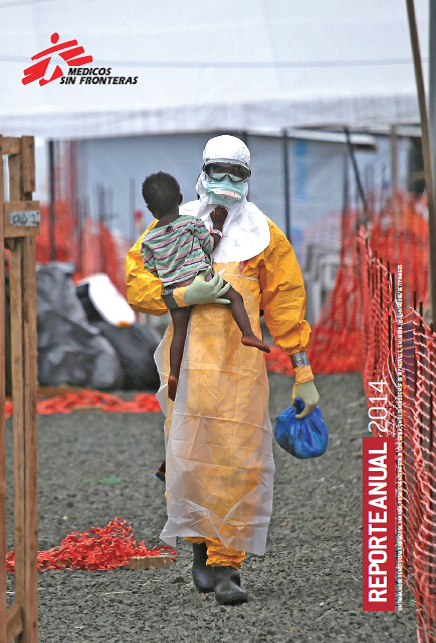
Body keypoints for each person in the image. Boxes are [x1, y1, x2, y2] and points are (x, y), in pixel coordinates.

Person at [126, 135, 320, 606]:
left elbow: (286, 304)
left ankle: (227, 565)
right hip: (186, 366)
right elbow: (137, 283)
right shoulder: (172, 226)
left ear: (248, 178)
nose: (227, 182)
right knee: (190, 458)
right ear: (203, 170)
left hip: (240, 371)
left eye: (237, 174)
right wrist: (177, 297)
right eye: (219, 171)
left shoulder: (264, 236)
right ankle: (199, 544)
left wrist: (303, 370)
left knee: (239, 460)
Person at [140, 172, 270, 401]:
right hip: (203, 280)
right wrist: (217, 224)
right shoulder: (191, 223)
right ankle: (248, 333)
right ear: (180, 197)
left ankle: (174, 374)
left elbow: (150, 268)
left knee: (179, 333)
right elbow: (210, 245)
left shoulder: (149, 240)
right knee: (234, 298)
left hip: (175, 291)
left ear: (151, 209)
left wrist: (171, 271)